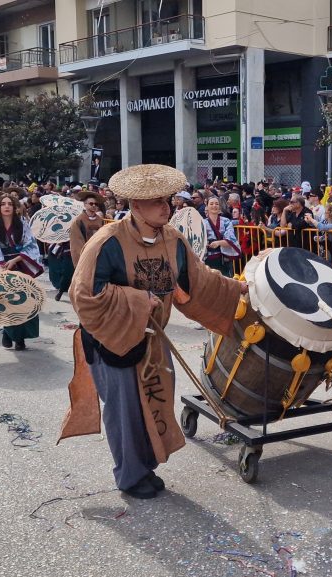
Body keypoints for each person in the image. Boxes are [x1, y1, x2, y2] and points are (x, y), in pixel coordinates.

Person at [62, 164, 246, 500]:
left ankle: (145, 465)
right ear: (135, 205)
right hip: (113, 341)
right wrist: (136, 300)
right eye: (158, 202)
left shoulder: (173, 240)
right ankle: (130, 476)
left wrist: (243, 289)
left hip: (153, 341)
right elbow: (84, 294)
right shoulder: (108, 241)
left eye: (168, 200)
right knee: (126, 410)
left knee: (155, 402)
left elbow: (201, 280)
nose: (167, 207)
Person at [0, 193, 44, 351]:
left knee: (25, 301)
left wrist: (16, 260)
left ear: (15, 208)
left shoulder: (22, 224)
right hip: (0, 266)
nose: (6, 206)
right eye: (3, 204)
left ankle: (20, 338)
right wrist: (0, 266)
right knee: (8, 301)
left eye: (10, 204)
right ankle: (8, 333)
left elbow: (30, 244)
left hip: (21, 264)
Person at [202, 197, 241, 277]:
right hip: (208, 258)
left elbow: (231, 239)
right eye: (211, 204)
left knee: (226, 283)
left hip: (224, 258)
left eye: (217, 204)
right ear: (207, 207)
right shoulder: (202, 223)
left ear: (219, 206)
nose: (214, 206)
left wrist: (218, 242)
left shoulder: (226, 221)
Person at [69, 192, 106, 268]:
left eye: (96, 204)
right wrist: (81, 261)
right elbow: (76, 244)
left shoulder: (100, 220)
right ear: (85, 205)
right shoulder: (78, 221)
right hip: (85, 256)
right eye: (91, 203)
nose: (94, 206)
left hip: (98, 256)